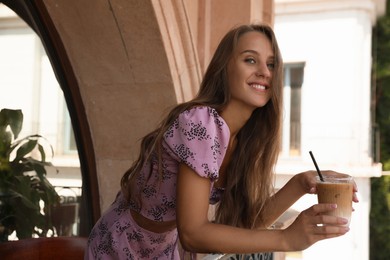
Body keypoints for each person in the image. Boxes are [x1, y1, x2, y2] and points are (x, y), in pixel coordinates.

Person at [85, 23, 358, 259]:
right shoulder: (201, 123)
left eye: (272, 64)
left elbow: (244, 225)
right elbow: (193, 233)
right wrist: (287, 239)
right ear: (224, 69)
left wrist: (301, 183)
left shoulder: (241, 141)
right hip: (120, 249)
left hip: (163, 252)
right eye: (250, 60)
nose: (265, 71)